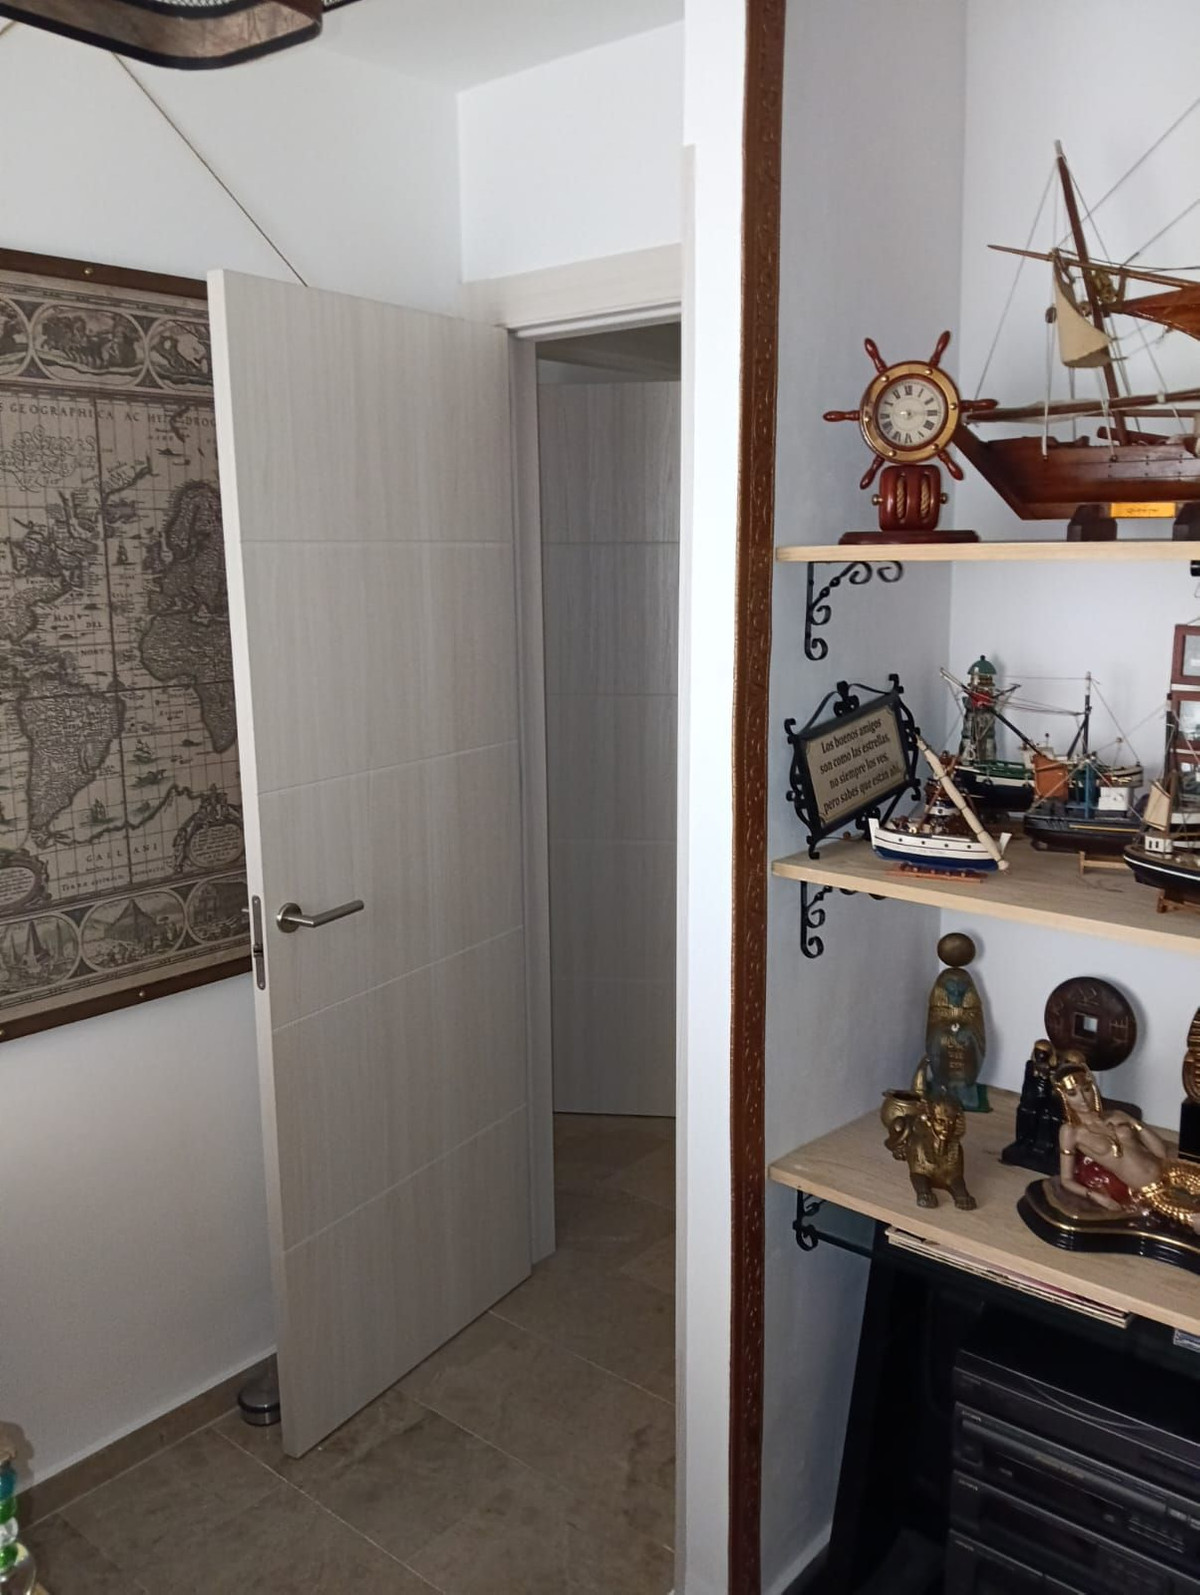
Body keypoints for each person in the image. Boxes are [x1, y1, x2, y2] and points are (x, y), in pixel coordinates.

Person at [1054, 1053, 1200, 1233]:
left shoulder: (1116, 1115)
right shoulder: (1071, 1132)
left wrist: (1136, 1125)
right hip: (1150, 1191)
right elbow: (1066, 1179)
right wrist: (1097, 1197)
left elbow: (1160, 1152)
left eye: (1085, 1089)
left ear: (1093, 1087)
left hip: (1169, 1169)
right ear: (1063, 1097)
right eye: (1072, 1094)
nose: (1082, 1099)